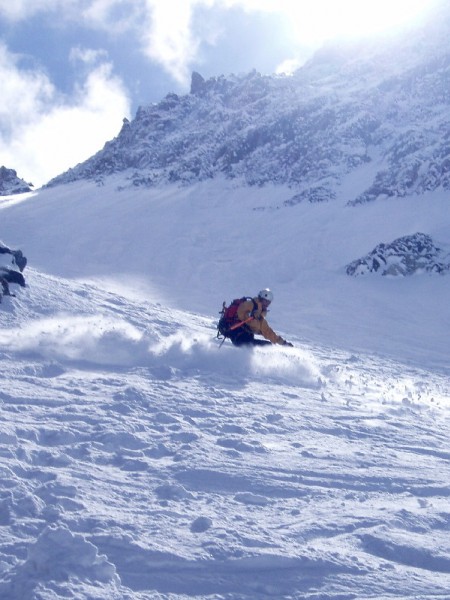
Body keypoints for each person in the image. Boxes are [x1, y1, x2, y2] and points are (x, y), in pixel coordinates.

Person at [227, 289, 293, 347]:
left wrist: (283, 343)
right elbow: (240, 312)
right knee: (266, 346)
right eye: (265, 301)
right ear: (260, 299)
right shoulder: (250, 304)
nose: (267, 304)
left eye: (269, 302)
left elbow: (268, 332)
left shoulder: (260, 317)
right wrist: (250, 316)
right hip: (237, 335)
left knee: (268, 345)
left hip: (246, 338)